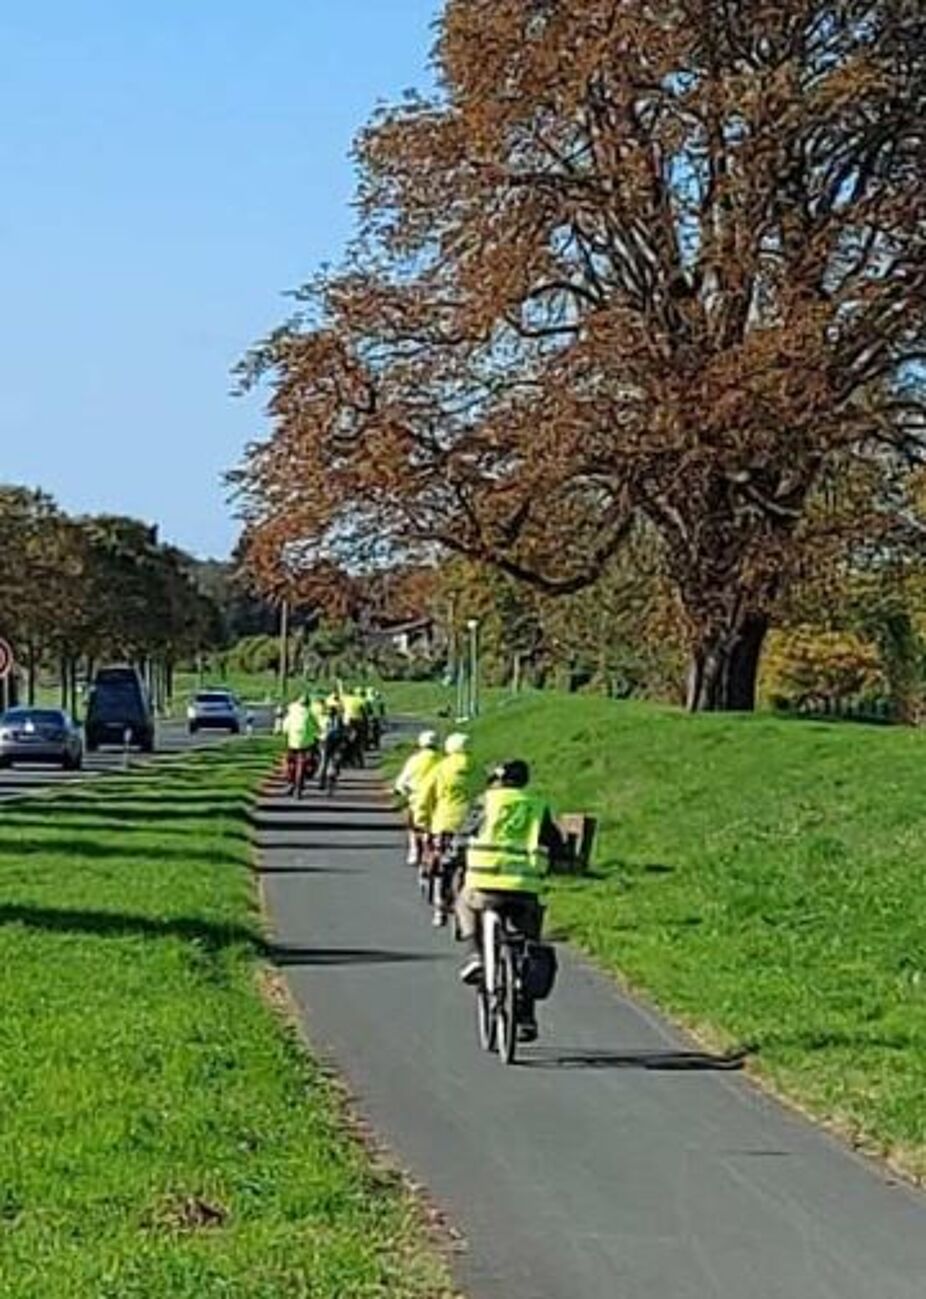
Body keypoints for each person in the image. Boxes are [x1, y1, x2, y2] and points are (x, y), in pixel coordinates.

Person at [457, 760, 564, 1042]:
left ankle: (475, 954)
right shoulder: (537, 805)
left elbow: (464, 834)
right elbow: (554, 843)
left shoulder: (486, 801)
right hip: (525, 886)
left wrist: (453, 856)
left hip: (484, 882)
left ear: (496, 779)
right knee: (528, 945)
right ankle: (526, 1017)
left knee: (464, 902)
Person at [418, 732, 480, 927]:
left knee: (442, 868)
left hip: (445, 823)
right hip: (472, 825)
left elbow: (424, 796)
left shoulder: (441, 768)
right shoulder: (479, 769)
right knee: (469, 867)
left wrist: (422, 820)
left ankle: (440, 907)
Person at [393, 730, 441, 866]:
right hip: (438, 799)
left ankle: (414, 850)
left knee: (412, 824)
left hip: (417, 799)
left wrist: (403, 791)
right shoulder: (442, 760)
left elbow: (401, 781)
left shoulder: (415, 760)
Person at [281, 692, 320, 794]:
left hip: (292, 742)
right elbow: (316, 726)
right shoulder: (309, 713)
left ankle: (290, 782)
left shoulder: (291, 711)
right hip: (306, 743)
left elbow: (285, 727)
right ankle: (302, 780)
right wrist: (318, 731)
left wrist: (285, 732)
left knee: (290, 762)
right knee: (308, 761)